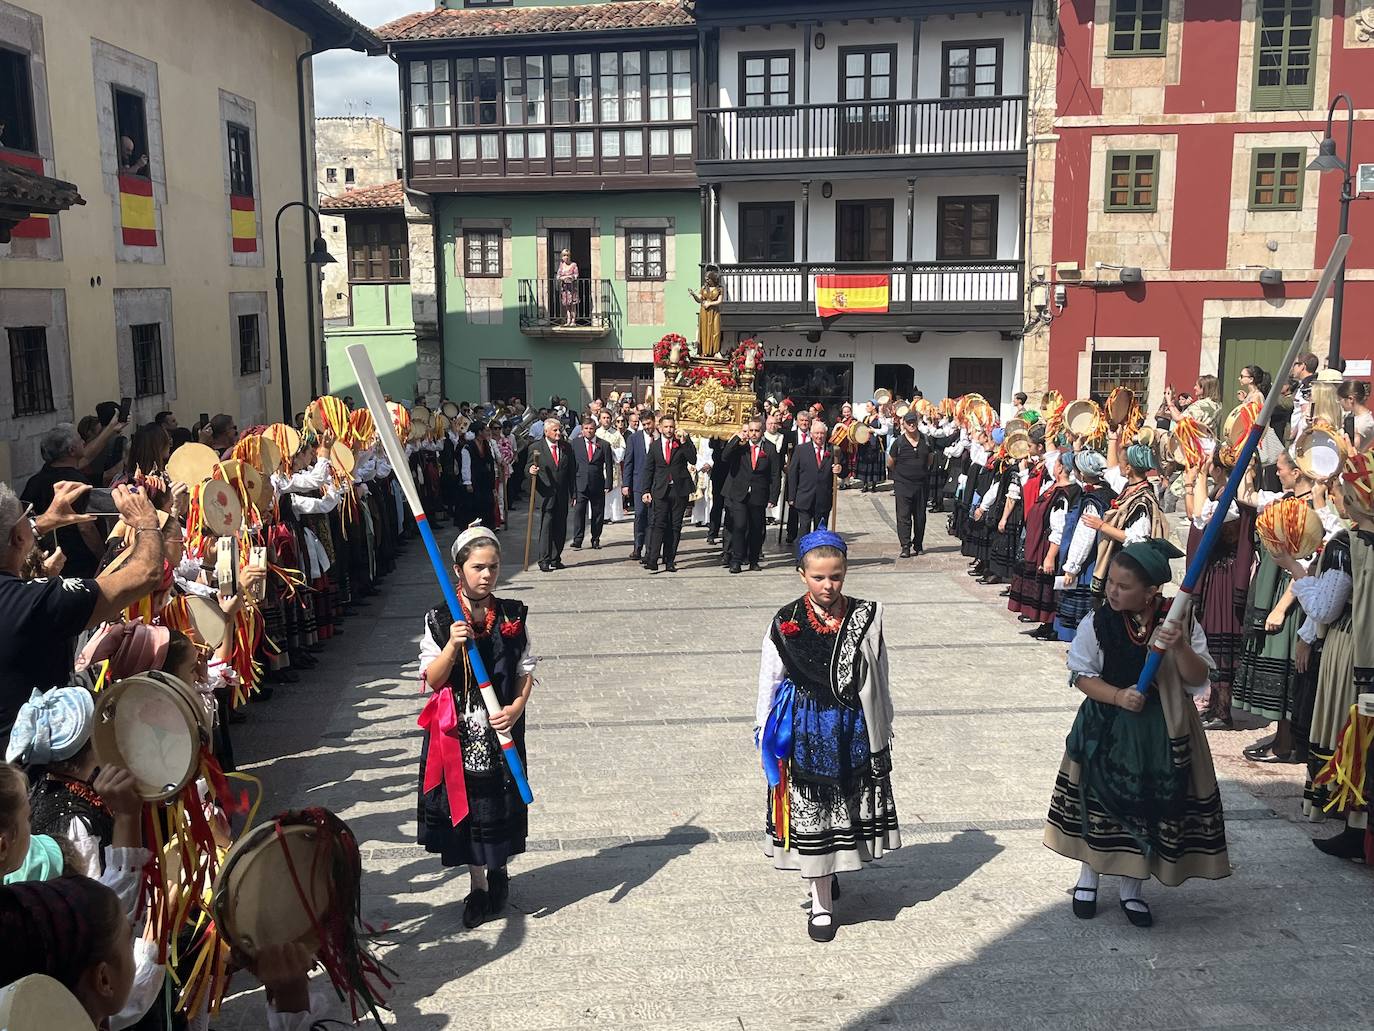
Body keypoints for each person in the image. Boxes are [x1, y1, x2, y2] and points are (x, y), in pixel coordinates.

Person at [1045, 539, 1229, 928]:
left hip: (1161, 732)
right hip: (1107, 726)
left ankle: (1132, 889)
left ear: (1151, 592)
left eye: (1123, 586)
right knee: (1097, 803)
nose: (1112, 590)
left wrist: (1178, 647)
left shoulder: (1179, 621)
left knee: (1145, 809)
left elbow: (1199, 680)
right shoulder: (1098, 622)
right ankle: (1088, 878)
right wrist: (1117, 695)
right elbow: (1081, 675)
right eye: (1111, 581)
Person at [755, 527, 899, 942]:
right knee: (814, 813)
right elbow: (769, 679)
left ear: (845, 571)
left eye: (835, 575)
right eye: (818, 577)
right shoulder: (785, 622)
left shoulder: (866, 615)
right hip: (806, 728)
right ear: (802, 574)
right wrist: (763, 730)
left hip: (852, 726)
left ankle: (833, 870)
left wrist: (882, 726)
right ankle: (821, 902)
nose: (828, 585)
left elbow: (880, 677)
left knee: (846, 810)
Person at [417, 523, 535, 928]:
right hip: (460, 731)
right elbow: (432, 680)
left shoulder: (513, 613)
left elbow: (525, 668)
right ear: (459, 571)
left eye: (494, 567)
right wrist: (452, 644)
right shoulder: (439, 618)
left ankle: (500, 869)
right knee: (467, 808)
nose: (487, 575)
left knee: (499, 803)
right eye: (478, 567)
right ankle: (478, 885)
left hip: (502, 726)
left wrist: (517, 707)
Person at [0, 483, 162, 738]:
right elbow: (146, 573)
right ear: (18, 538)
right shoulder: (37, 602)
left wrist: (40, 523)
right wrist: (146, 521)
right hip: (30, 767)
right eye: (27, 514)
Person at [19, 425, 102, 579]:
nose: (84, 442)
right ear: (71, 450)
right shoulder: (76, 483)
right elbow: (86, 528)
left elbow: (24, 519)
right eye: (79, 439)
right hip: (79, 564)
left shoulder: (34, 482)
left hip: (46, 563)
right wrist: (102, 557)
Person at [720, 418, 781, 574]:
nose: (753, 434)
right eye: (751, 430)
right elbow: (725, 457)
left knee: (756, 528)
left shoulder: (770, 448)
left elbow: (775, 475)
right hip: (739, 493)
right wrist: (736, 439)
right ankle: (736, 560)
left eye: (756, 431)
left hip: (758, 494)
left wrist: (773, 497)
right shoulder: (740, 447)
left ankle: (753, 560)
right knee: (739, 526)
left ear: (762, 431)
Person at [642, 414, 696, 574]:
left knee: (675, 526)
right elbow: (649, 469)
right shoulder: (655, 446)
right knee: (658, 524)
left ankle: (670, 560)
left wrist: (685, 442)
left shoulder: (682, 443)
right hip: (660, 489)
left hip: (679, 490)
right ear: (660, 427)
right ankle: (652, 559)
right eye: (666, 427)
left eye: (671, 427)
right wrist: (645, 490)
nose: (669, 430)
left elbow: (693, 459)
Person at [527, 418, 574, 573]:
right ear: (546, 431)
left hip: (561, 494)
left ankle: (556, 557)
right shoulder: (536, 448)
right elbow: (528, 467)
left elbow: (571, 473)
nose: (558, 433)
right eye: (555, 430)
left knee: (561, 527)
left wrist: (573, 494)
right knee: (547, 527)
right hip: (545, 494)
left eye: (559, 430)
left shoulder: (566, 447)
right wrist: (531, 471)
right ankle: (544, 559)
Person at [887, 411, 931, 558]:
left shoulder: (925, 440)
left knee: (920, 516)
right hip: (903, 484)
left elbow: (929, 459)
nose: (911, 425)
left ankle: (918, 544)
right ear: (904, 424)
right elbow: (891, 462)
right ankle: (905, 546)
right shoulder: (898, 442)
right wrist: (900, 475)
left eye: (913, 422)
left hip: (921, 483)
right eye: (909, 422)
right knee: (903, 516)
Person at [788, 420, 840, 541]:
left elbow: (844, 471)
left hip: (823, 499)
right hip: (804, 497)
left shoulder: (833, 451)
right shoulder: (801, 450)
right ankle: (801, 557)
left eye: (822, 433)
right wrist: (791, 497)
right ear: (811, 434)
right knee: (804, 529)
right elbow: (793, 474)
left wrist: (839, 468)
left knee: (820, 532)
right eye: (816, 433)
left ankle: (817, 558)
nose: (819, 436)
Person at [570, 416, 612, 550]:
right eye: (586, 429)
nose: (589, 431)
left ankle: (595, 538)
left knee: (597, 513)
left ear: (595, 430)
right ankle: (577, 539)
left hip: (597, 483)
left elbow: (609, 466)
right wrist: (573, 490)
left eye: (591, 429)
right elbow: (572, 466)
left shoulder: (604, 445)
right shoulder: (575, 444)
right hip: (580, 483)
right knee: (579, 512)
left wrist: (608, 484)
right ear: (582, 430)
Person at [623, 411, 656, 562]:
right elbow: (628, 461)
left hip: (657, 484)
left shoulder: (660, 437)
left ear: (654, 422)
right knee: (640, 516)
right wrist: (626, 484)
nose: (647, 427)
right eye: (644, 425)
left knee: (653, 518)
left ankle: (651, 549)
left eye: (649, 424)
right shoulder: (634, 438)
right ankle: (637, 547)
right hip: (639, 483)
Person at [688, 268, 723, 358]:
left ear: (712, 278)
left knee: (716, 330)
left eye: (708, 279)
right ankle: (704, 351)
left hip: (714, 311)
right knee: (704, 330)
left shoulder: (719, 288)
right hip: (704, 311)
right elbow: (699, 300)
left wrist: (710, 303)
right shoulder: (703, 288)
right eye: (706, 279)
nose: (706, 280)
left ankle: (716, 351)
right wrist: (694, 295)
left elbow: (719, 301)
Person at [1338, 379, 1374, 452]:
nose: (1340, 403)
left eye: (1340, 399)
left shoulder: (1365, 422)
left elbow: (1353, 448)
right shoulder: (1350, 415)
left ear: (1350, 399)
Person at [556, 249, 579, 327]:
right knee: (567, 306)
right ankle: (568, 320)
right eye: (564, 255)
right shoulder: (561, 265)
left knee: (573, 305)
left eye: (567, 255)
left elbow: (576, 275)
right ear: (562, 257)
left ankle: (573, 321)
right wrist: (563, 278)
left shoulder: (574, 265)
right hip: (565, 289)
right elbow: (558, 276)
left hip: (572, 289)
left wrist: (570, 277)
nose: (566, 257)